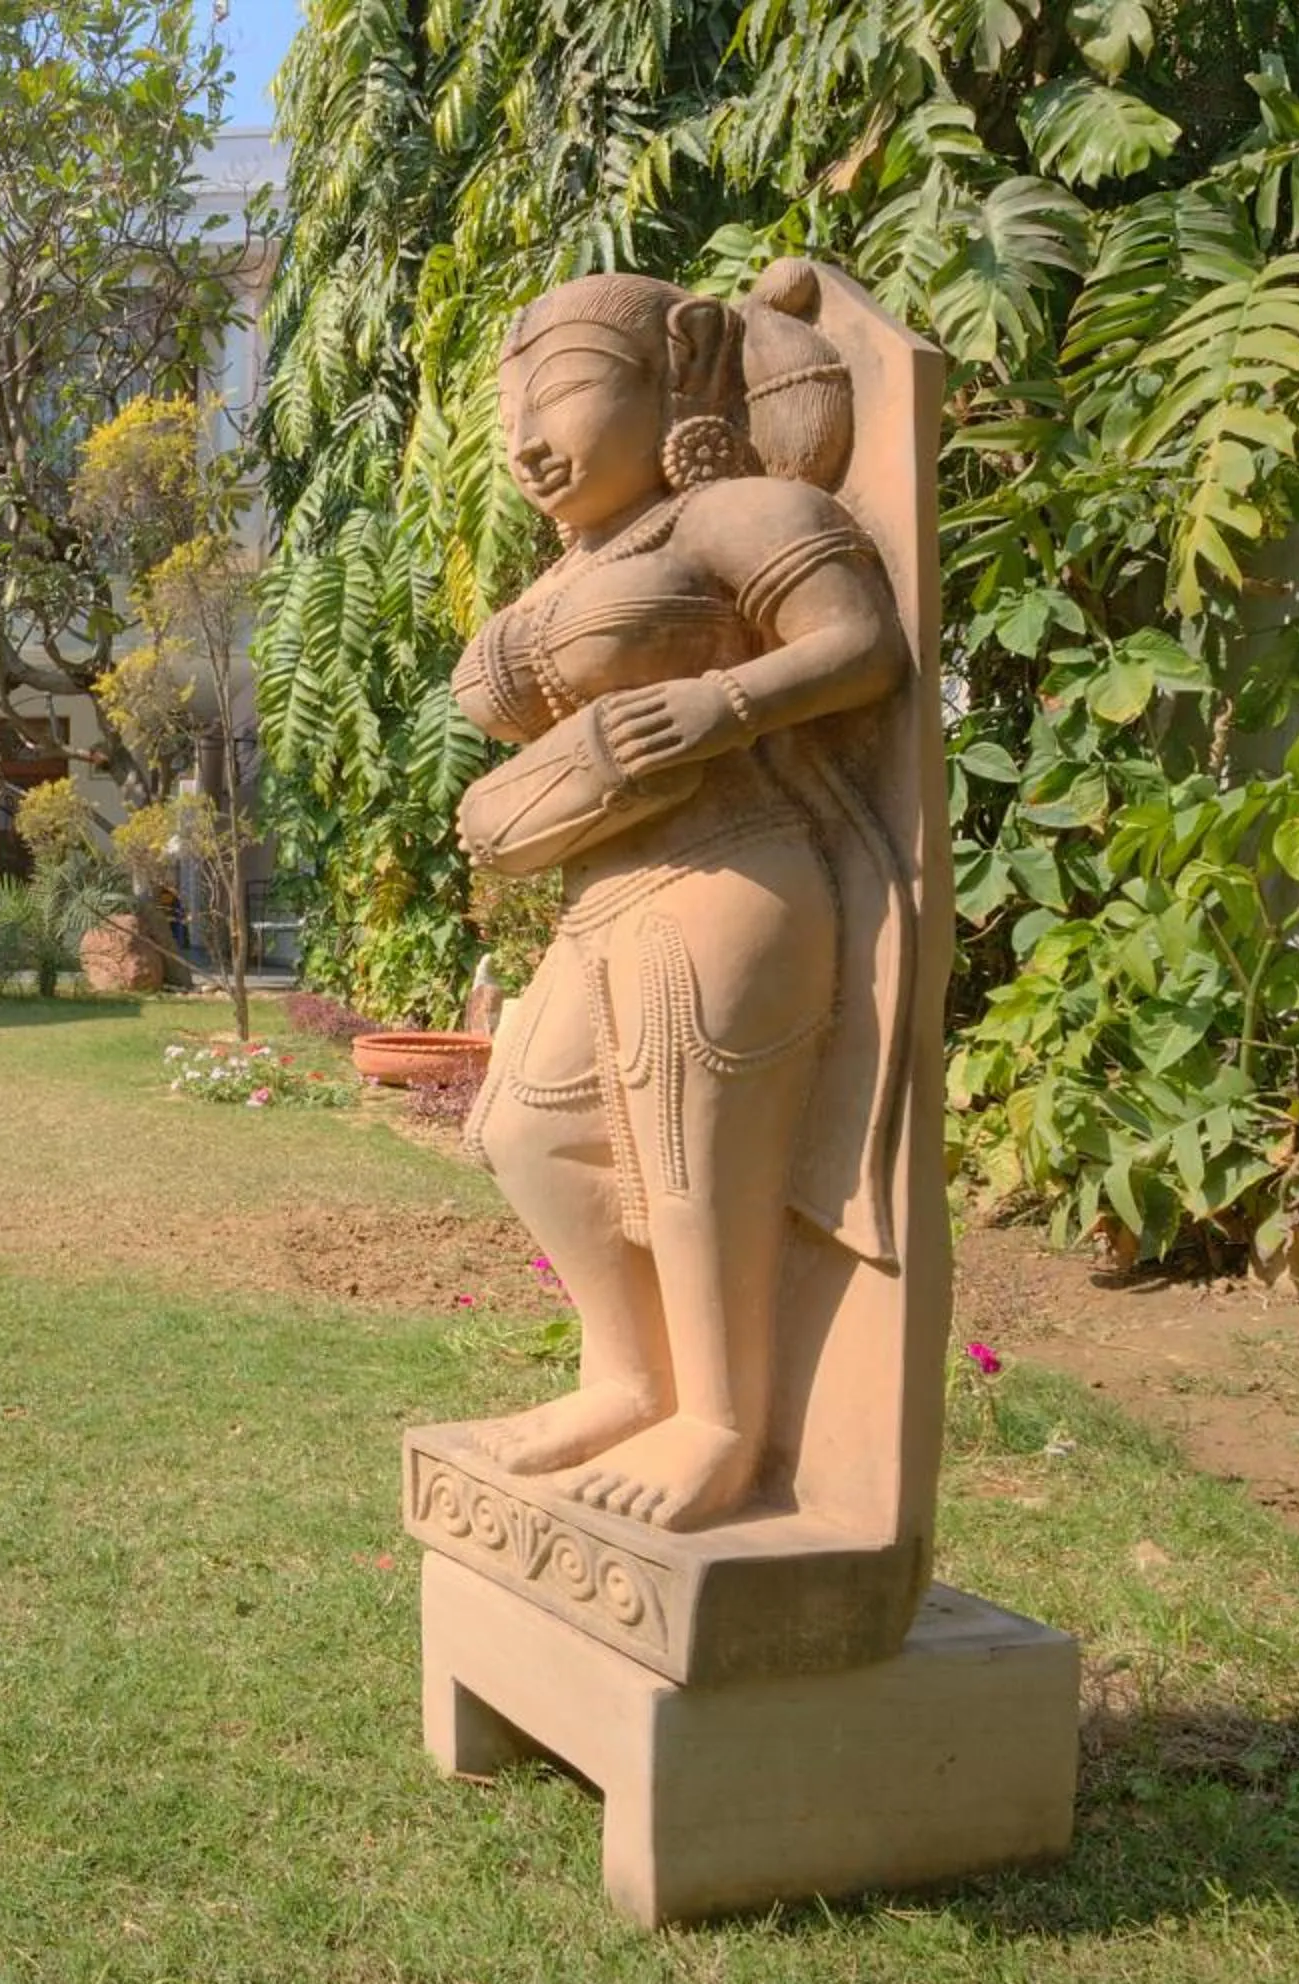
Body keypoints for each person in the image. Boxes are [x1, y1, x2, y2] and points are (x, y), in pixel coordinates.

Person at [449, 267, 911, 1531]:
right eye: (510, 416)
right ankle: (628, 1375)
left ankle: (719, 1419)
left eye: (561, 396)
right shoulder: (575, 569)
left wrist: (729, 699)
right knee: (527, 1130)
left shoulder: (736, 513)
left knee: (696, 1155)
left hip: (733, 873)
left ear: (680, 373)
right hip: (604, 889)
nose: (528, 444)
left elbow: (861, 640)